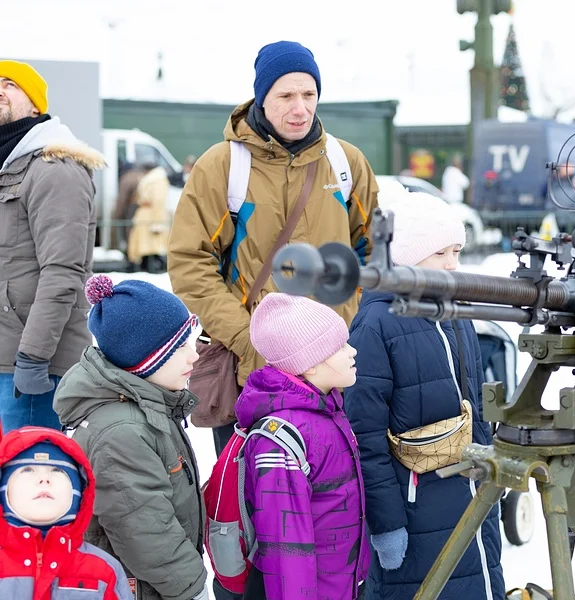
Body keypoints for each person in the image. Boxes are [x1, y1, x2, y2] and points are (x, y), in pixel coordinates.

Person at [168, 40, 379, 456]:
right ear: (262, 98)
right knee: (252, 500)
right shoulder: (223, 166)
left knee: (329, 495)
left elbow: (372, 255)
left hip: (330, 371)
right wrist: (250, 340)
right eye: (285, 96)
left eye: (309, 95)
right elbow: (190, 264)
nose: (299, 108)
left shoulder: (346, 162)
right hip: (253, 376)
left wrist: (340, 325)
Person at [345, 190, 505, 600]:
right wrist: (386, 523)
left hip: (471, 498)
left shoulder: (456, 313)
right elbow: (365, 436)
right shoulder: (376, 325)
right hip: (416, 511)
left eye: (456, 251)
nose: (453, 264)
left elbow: (475, 410)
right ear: (408, 257)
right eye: (440, 254)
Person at [53, 275, 209, 600]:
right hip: (138, 588)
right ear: (144, 358)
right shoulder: (121, 432)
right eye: (180, 347)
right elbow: (146, 532)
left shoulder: (146, 404)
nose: (194, 356)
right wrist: (191, 588)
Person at [232, 292, 369, 600]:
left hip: (340, 586)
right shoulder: (282, 439)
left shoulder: (328, 410)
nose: (352, 351)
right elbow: (285, 550)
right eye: (339, 347)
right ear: (308, 365)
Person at [0, 60, 103, 433]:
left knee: (31, 482)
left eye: (10, 84)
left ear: (35, 105)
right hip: (5, 358)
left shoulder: (54, 168)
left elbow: (63, 272)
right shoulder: (9, 168)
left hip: (30, 367)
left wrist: (33, 356)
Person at [0, 427, 135, 599]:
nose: (44, 479)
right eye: (27, 470)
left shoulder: (103, 569)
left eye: (58, 471)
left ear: (81, 492)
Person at [128, 165, 171, 273]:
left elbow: (158, 202)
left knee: (151, 247)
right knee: (146, 247)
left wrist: (157, 223)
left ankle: (152, 268)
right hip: (146, 215)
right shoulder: (154, 180)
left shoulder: (157, 181)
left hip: (151, 217)